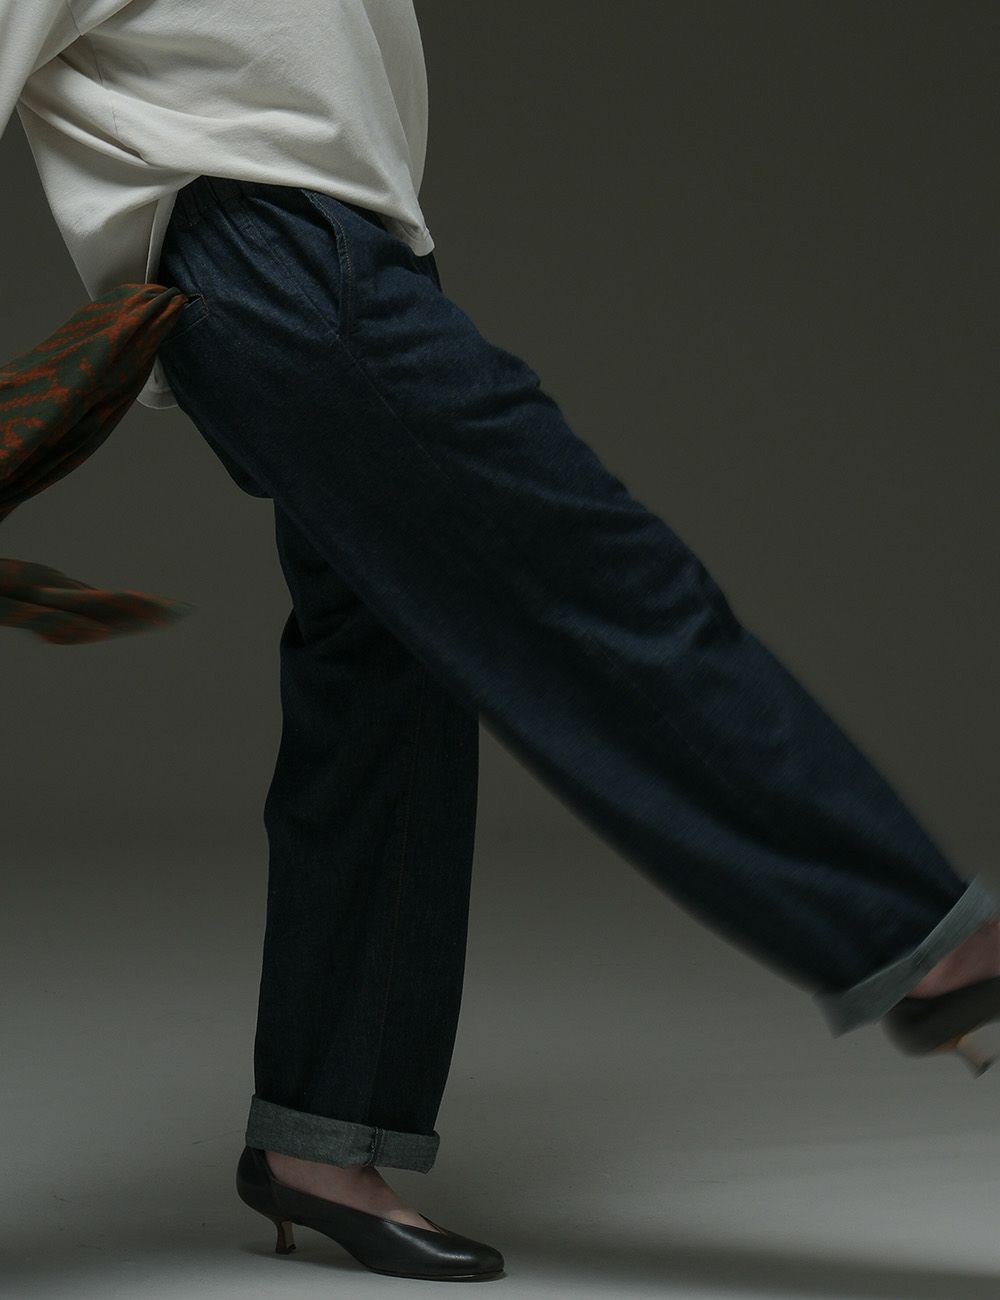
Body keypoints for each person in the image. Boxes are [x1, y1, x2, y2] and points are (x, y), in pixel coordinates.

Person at [4, 0, 999, 1284]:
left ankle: (322, 1133)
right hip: (267, 250)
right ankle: (928, 943)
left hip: (341, 251)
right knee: (594, 588)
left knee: (390, 680)